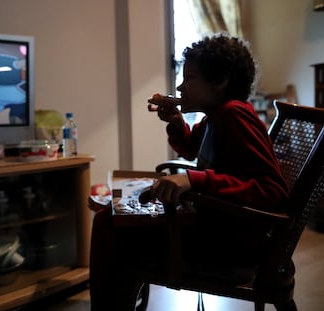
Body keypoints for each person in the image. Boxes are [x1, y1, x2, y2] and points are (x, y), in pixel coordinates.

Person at [89, 33, 289, 311]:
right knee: (117, 218)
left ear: (220, 81)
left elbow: (273, 191)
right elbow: (192, 148)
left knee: (107, 224)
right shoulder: (216, 116)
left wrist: (195, 180)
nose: (181, 87)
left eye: (190, 78)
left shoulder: (233, 114)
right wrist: (175, 121)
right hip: (215, 226)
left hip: (229, 245)